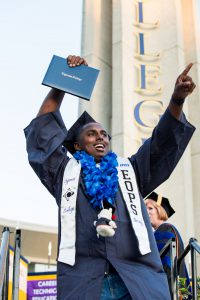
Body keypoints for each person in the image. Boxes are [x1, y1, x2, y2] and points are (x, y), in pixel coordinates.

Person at [24, 54, 196, 300]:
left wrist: (177, 100)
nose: (101, 138)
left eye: (104, 135)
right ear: (77, 145)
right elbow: (42, 132)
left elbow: (161, 145)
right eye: (92, 134)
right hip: (84, 281)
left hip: (136, 280)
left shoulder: (130, 171)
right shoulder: (64, 174)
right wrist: (63, 81)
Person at [145, 192, 191, 299]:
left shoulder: (166, 229)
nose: (146, 212)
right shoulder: (161, 231)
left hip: (169, 288)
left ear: (160, 210)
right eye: (145, 208)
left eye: (150, 208)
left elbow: (165, 264)